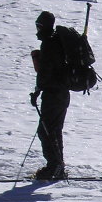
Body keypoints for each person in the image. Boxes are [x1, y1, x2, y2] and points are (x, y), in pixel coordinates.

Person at [30, 11, 70, 180]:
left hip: (53, 95)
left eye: (39, 26)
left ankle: (54, 167)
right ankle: (58, 166)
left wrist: (37, 91)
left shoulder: (49, 44)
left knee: (45, 131)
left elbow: (46, 73)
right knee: (54, 130)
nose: (37, 30)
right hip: (62, 93)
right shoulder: (58, 42)